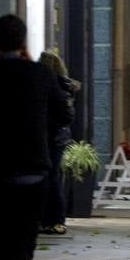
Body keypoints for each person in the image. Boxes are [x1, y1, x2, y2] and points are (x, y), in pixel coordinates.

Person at [0, 15, 71, 260]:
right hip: (32, 171)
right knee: (22, 246)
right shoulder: (40, 74)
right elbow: (64, 113)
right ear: (23, 42)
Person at [38, 51, 79, 236]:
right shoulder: (64, 85)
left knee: (52, 177)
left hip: (53, 136)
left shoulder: (56, 86)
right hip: (56, 135)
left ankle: (55, 219)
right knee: (51, 177)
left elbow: (62, 114)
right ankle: (51, 219)